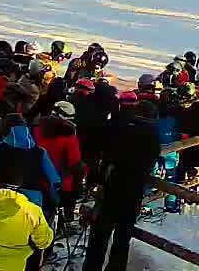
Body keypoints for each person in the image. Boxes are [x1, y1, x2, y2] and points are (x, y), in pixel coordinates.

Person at [81, 98, 163, 271]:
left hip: (112, 188)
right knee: (122, 237)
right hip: (133, 191)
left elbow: (107, 156)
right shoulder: (153, 137)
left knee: (100, 234)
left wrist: (98, 179)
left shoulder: (122, 130)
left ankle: (92, 267)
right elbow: (150, 162)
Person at [33, 101, 83, 233]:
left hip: (35, 179)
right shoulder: (69, 138)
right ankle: (61, 226)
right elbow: (75, 164)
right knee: (53, 212)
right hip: (61, 183)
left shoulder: (36, 130)